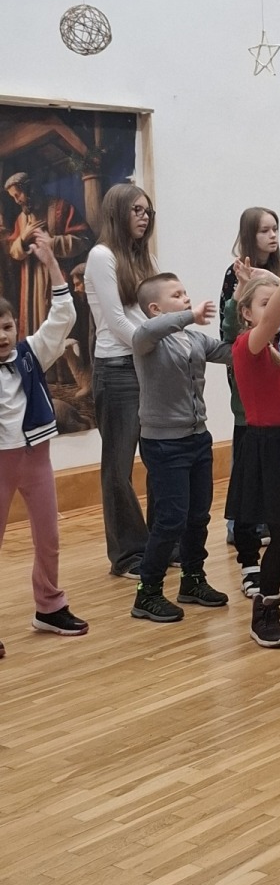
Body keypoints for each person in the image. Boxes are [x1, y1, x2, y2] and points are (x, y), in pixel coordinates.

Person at [0, 230, 88, 656]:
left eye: (6, 326)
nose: (2, 335)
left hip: (35, 459)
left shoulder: (31, 354)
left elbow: (62, 315)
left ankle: (49, 606)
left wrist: (52, 263)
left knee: (49, 537)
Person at [130, 273, 232, 622]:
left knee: (198, 516)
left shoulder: (194, 340)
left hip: (198, 439)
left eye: (185, 292)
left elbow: (232, 353)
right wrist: (191, 315)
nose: (186, 298)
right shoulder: (146, 340)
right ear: (155, 308)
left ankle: (192, 580)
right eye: (177, 295)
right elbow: (149, 331)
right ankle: (147, 592)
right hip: (163, 444)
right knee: (170, 519)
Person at [225, 267, 280, 648]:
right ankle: (265, 608)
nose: (275, 308)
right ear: (246, 312)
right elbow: (274, 318)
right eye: (265, 302)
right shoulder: (247, 345)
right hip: (268, 449)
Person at [84, 183, 157, 578]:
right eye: (137, 210)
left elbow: (156, 312)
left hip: (146, 364)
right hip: (117, 369)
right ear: (117, 212)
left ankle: (162, 543)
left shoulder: (144, 256)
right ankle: (129, 554)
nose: (144, 217)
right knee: (118, 466)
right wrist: (154, 345)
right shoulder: (101, 255)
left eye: (148, 211)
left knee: (161, 455)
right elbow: (116, 321)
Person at [218, 206, 280, 574]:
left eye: (275, 229)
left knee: (279, 486)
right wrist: (245, 288)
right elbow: (230, 329)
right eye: (264, 230)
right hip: (252, 400)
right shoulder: (237, 277)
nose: (272, 236)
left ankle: (276, 534)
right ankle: (243, 536)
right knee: (248, 471)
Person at [4, 173, 91, 340]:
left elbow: (84, 240)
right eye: (13, 197)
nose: (17, 200)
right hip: (32, 282)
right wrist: (23, 240)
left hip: (57, 276)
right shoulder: (21, 219)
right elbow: (13, 251)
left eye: (18, 194)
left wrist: (52, 243)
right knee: (36, 324)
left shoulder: (61, 208)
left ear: (30, 189)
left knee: (61, 326)